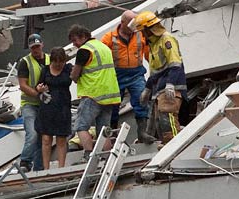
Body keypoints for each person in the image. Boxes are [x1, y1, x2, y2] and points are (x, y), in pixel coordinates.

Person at [131, 11, 187, 144]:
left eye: (142, 31)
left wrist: (170, 84)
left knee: (167, 117)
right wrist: (148, 88)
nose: (142, 34)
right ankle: (167, 145)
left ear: (149, 29)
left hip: (171, 87)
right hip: (160, 88)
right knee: (160, 122)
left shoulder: (166, 39)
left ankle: (175, 145)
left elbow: (175, 63)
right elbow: (156, 71)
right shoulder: (153, 44)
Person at [101, 10, 156, 144]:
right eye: (131, 23)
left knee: (142, 99)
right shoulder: (109, 38)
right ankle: (112, 133)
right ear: (123, 22)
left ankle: (142, 132)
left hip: (136, 74)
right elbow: (101, 57)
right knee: (113, 105)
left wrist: (156, 71)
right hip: (116, 75)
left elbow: (150, 55)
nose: (133, 26)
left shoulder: (140, 35)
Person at [68, 24, 121, 163]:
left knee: (81, 126)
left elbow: (75, 76)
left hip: (93, 93)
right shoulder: (103, 47)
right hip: (109, 95)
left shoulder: (84, 50)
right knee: (104, 130)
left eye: (75, 40)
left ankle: (89, 156)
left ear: (83, 36)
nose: (74, 44)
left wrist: (72, 74)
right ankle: (106, 158)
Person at [35, 47, 72, 169]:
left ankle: (61, 169)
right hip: (47, 108)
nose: (58, 65)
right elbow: (38, 86)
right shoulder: (45, 70)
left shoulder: (68, 69)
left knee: (61, 139)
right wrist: (39, 89)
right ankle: (46, 169)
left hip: (63, 107)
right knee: (46, 139)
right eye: (55, 62)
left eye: (61, 62)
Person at [17, 34, 50, 172]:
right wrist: (38, 95)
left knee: (44, 136)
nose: (35, 50)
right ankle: (25, 162)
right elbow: (23, 85)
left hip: (46, 104)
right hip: (30, 104)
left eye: (37, 46)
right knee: (33, 133)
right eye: (33, 48)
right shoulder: (25, 62)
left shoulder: (50, 58)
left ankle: (39, 167)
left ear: (42, 44)